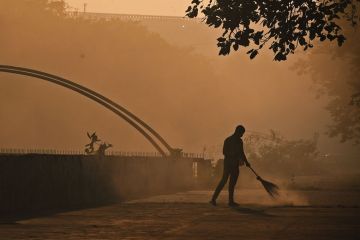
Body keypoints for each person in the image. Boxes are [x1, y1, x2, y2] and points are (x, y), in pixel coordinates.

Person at [210, 125, 250, 207]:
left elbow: (242, 153)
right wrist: (233, 155)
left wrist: (247, 162)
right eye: (241, 133)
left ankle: (231, 201)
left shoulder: (239, 141)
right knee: (224, 181)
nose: (242, 135)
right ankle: (213, 199)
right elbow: (224, 152)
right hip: (228, 164)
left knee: (232, 183)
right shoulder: (228, 140)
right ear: (237, 131)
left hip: (235, 164)